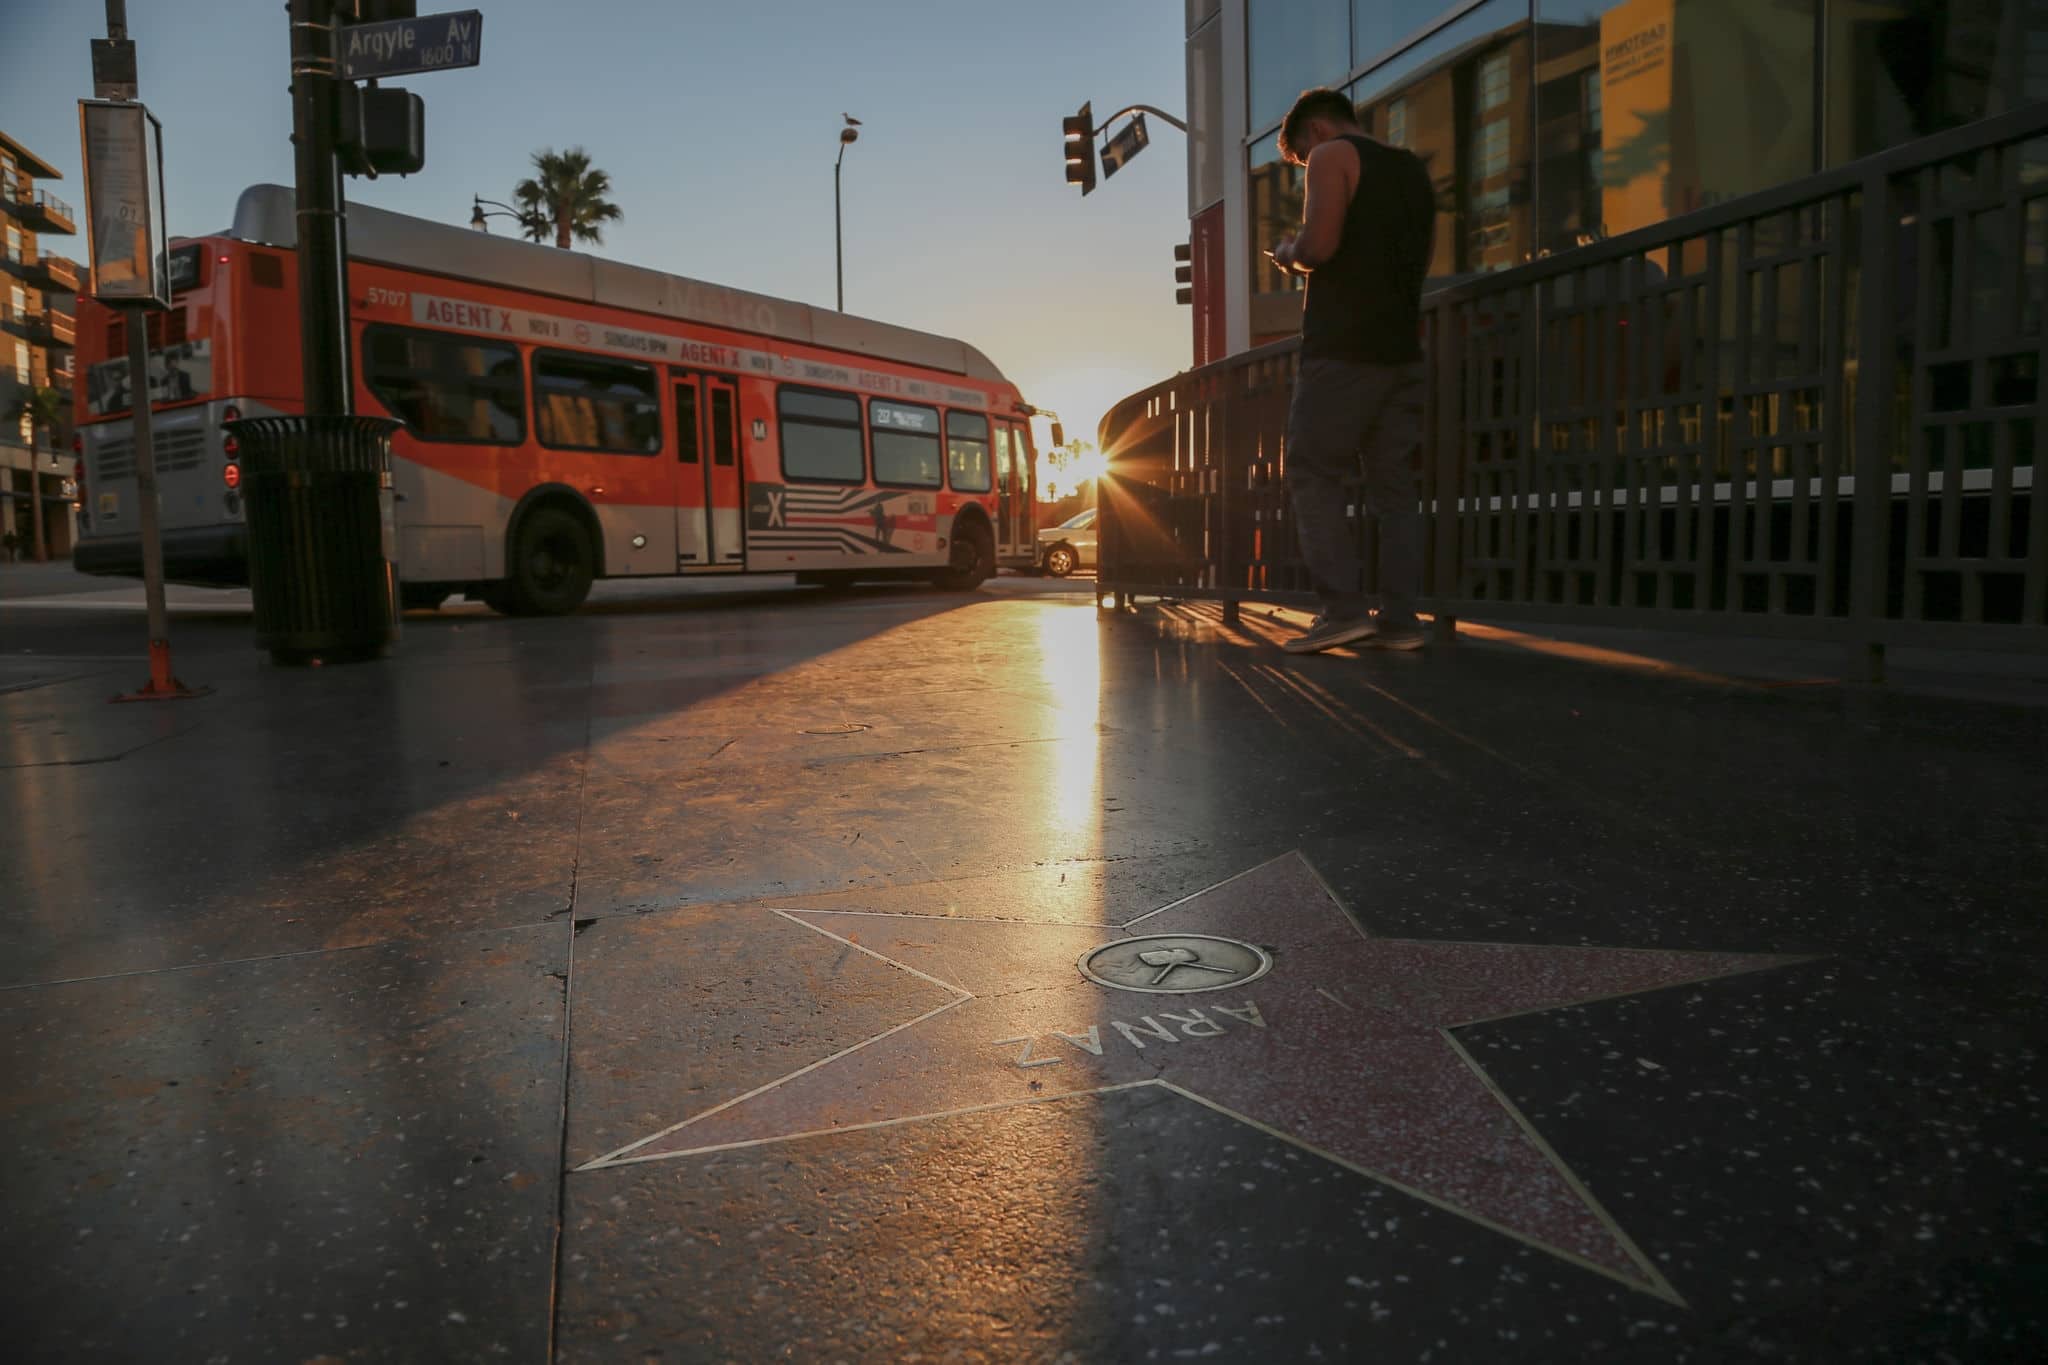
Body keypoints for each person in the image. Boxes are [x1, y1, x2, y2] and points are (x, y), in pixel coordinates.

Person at [1268, 88, 1437, 654]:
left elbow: (1320, 245)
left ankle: (1342, 612)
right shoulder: (1412, 169)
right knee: (1394, 491)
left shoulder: (1332, 156)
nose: (1303, 168)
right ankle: (1400, 621)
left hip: (1342, 348)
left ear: (1314, 130)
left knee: (1313, 473)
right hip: (1401, 349)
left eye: (1298, 158)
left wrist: (1288, 251)